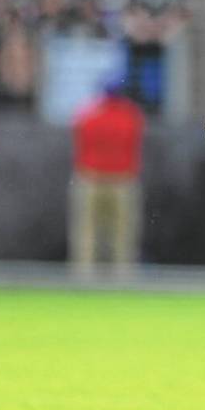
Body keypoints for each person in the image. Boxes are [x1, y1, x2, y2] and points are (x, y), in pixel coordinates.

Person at [70, 83, 146, 275]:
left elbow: (79, 138)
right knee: (123, 236)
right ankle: (123, 278)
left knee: (86, 234)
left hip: (91, 179)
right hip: (121, 181)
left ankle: (83, 278)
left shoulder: (88, 114)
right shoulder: (130, 115)